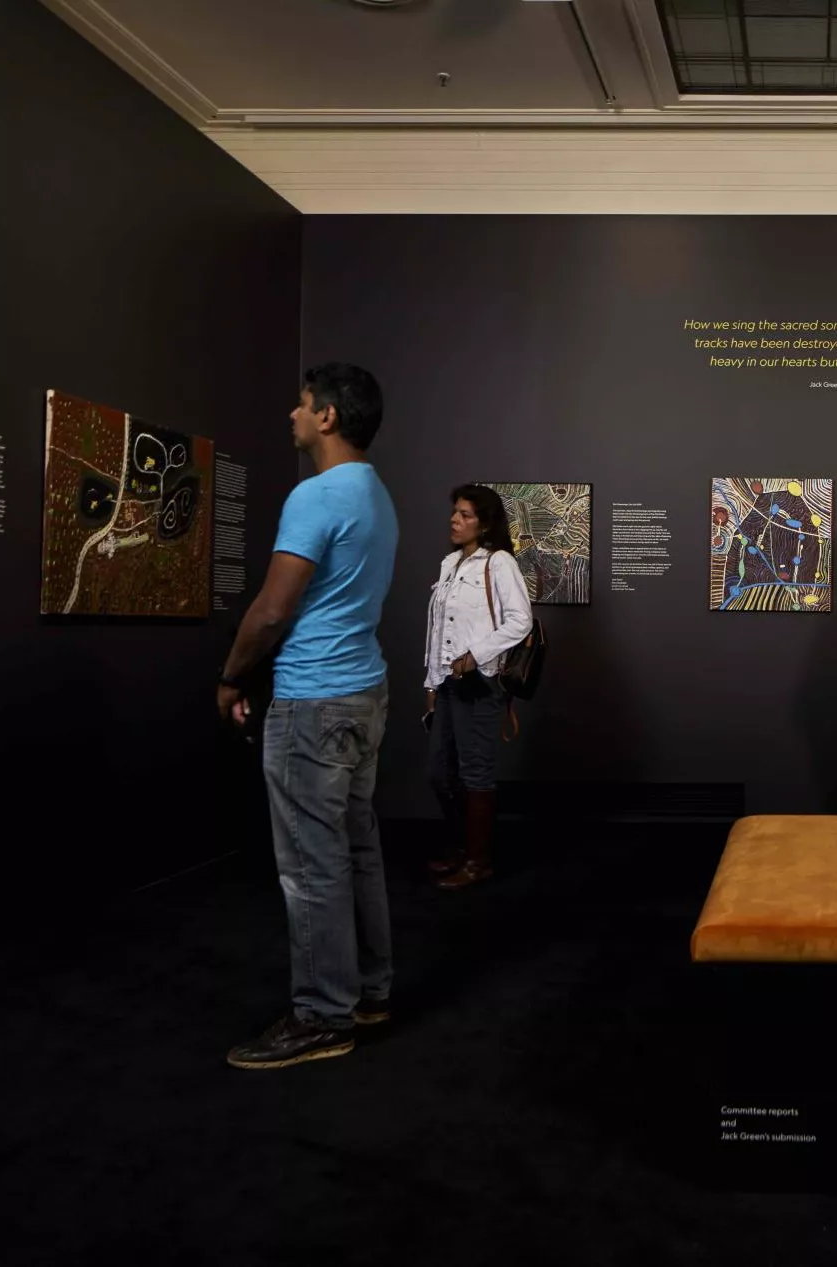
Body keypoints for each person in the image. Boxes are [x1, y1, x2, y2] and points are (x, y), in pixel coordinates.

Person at [218, 363, 399, 1069]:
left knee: (310, 865)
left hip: (313, 700)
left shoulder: (316, 494)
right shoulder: (377, 495)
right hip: (364, 694)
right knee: (357, 849)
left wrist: (231, 676)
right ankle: (369, 992)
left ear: (326, 416)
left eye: (299, 405)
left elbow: (272, 610)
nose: (291, 417)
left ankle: (324, 1014)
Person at [423, 484, 532, 889]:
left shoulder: (499, 562)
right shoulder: (449, 564)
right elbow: (437, 629)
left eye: (466, 514)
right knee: (439, 772)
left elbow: (520, 620)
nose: (455, 519)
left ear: (484, 524)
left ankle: (478, 860)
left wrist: (476, 653)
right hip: (447, 685)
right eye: (455, 512)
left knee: (475, 773)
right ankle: (461, 847)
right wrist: (430, 682)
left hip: (480, 683)